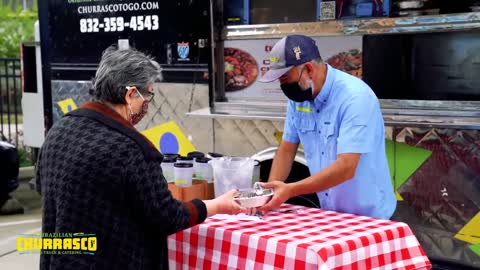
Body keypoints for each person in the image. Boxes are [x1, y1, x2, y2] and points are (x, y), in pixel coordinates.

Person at [35, 45, 246, 270]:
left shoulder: (59, 130)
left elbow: (42, 186)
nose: (147, 103)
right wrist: (215, 205)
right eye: (148, 95)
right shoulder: (131, 148)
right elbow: (166, 216)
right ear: (130, 94)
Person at [258, 35, 396, 220]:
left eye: (284, 78)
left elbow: (347, 166)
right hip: (329, 213)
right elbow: (286, 150)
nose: (282, 85)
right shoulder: (299, 99)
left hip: (368, 217)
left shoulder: (355, 98)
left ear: (308, 69)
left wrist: (290, 190)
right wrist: (271, 192)